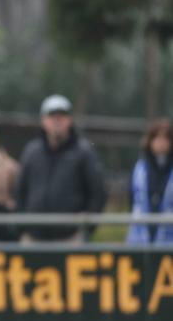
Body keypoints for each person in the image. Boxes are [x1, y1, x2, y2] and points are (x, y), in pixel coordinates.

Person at [16, 94, 107, 242]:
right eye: (52, 116)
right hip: (33, 237)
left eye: (62, 116)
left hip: (71, 238)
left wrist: (86, 228)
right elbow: (20, 191)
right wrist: (22, 227)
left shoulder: (84, 152)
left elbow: (98, 193)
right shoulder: (32, 152)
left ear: (69, 120)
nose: (57, 121)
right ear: (43, 121)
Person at [127, 119, 173, 244]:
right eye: (157, 138)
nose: (161, 143)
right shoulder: (139, 169)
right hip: (140, 238)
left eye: (165, 138)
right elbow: (132, 200)